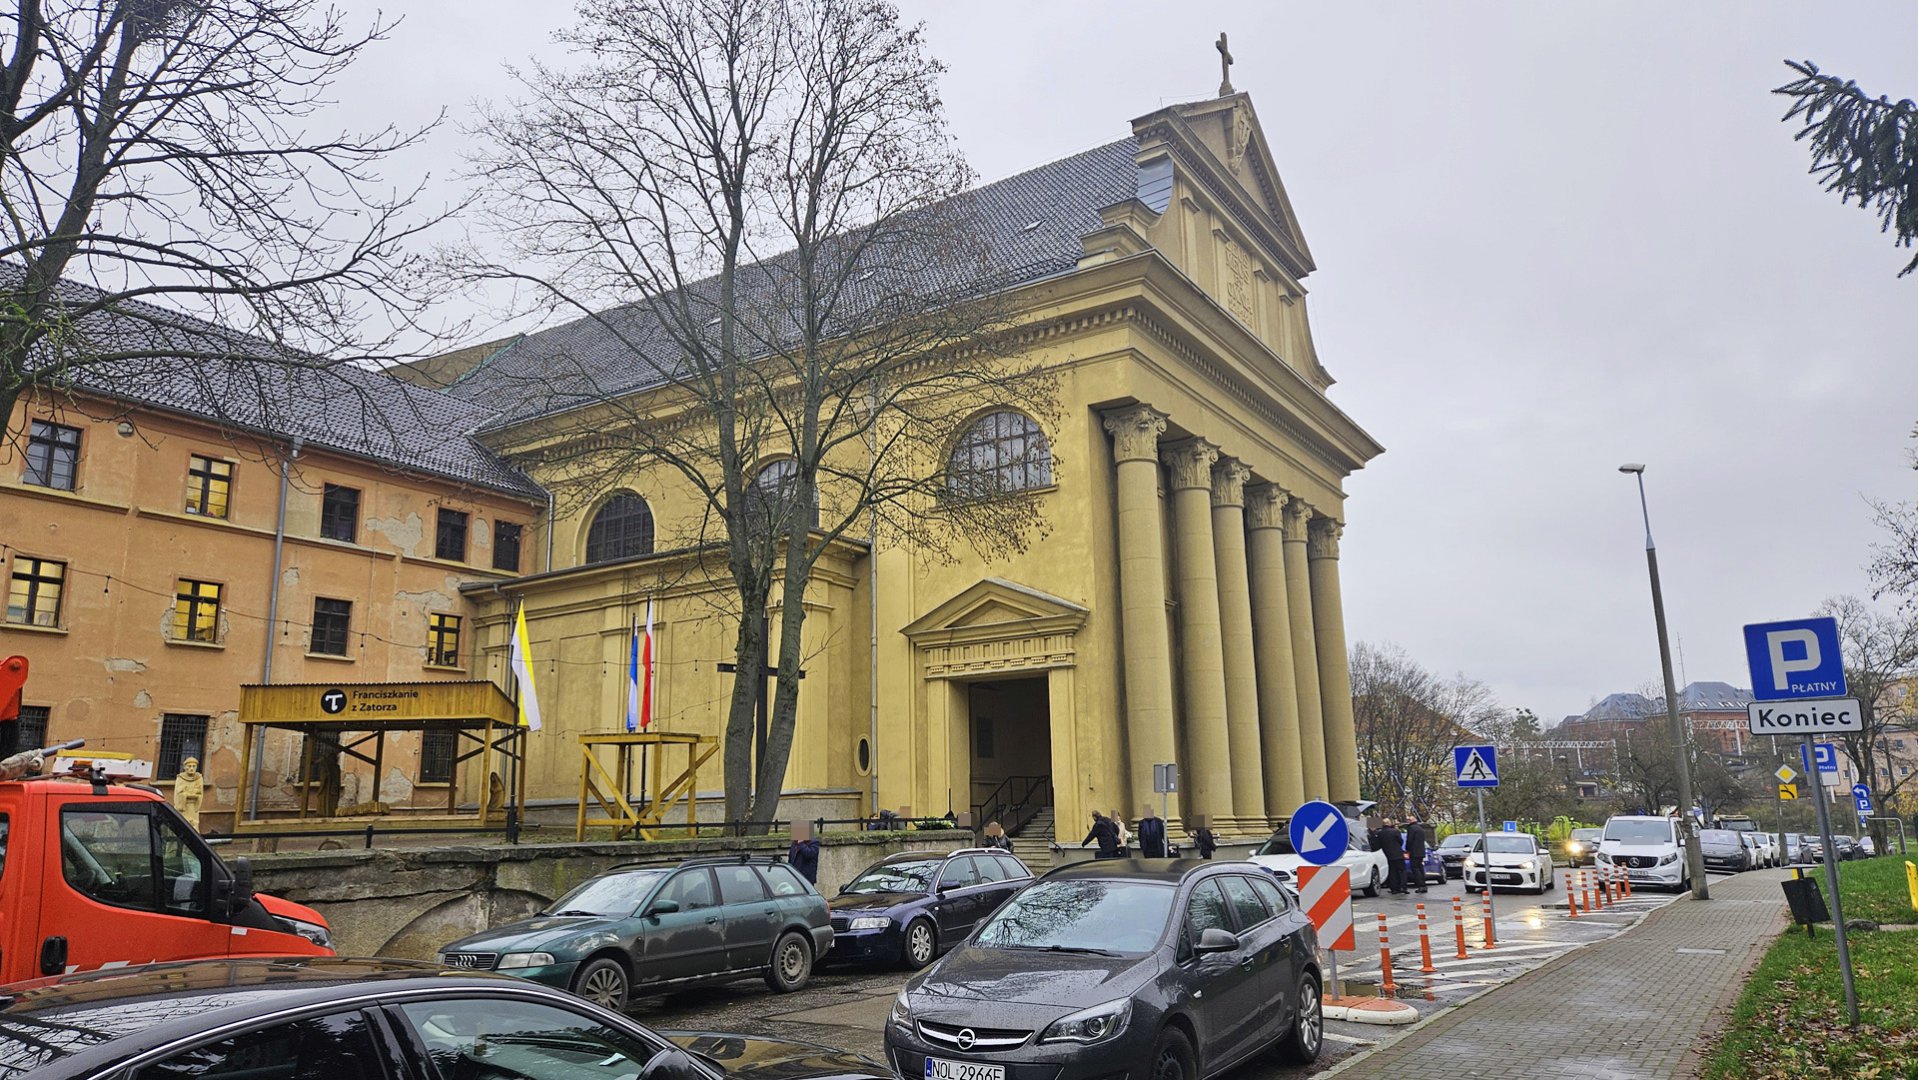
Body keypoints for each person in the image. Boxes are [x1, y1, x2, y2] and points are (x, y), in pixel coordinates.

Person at [1375, 817, 1407, 894]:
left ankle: (1394, 889)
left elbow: (1378, 845)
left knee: (1392, 872)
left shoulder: (1380, 833)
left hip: (1387, 855)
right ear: (1389, 823)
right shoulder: (1395, 831)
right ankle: (1403, 887)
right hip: (1398, 854)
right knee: (1402, 871)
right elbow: (1400, 842)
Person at [1405, 814, 1429, 893]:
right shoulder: (1420, 828)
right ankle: (1424, 885)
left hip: (1414, 852)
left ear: (1410, 821)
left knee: (1415, 869)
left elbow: (1410, 840)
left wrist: (1407, 849)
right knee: (1420, 868)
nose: (1407, 821)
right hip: (1421, 851)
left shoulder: (1411, 828)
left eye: (1408, 820)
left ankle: (1420, 885)